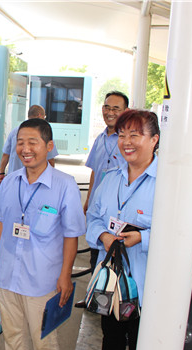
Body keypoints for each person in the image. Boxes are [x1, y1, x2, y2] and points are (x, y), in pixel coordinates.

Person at [0, 118, 85, 350]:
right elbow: (1, 224)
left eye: (32, 143)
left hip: (43, 280)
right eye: (20, 143)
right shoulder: (10, 182)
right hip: (9, 276)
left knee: (44, 343)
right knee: (13, 337)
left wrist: (65, 276)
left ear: (49, 147)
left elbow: (71, 235)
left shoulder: (65, 185)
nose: (25, 149)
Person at [83, 110, 160, 350]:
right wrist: (103, 236)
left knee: (141, 339)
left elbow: (181, 232)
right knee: (111, 332)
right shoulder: (111, 178)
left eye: (135, 135)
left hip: (147, 281)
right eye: (122, 135)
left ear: (153, 140)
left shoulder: (166, 183)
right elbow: (93, 218)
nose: (126, 142)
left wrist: (143, 237)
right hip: (111, 279)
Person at [83, 91, 129, 271]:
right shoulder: (100, 139)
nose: (110, 112)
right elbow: (95, 171)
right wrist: (89, 199)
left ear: (125, 111)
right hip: (97, 208)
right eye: (107, 107)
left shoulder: (127, 142)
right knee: (95, 257)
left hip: (117, 211)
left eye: (116, 109)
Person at [0, 105, 58, 182]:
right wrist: (51, 177)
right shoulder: (44, 133)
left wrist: (1, 172)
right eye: (44, 116)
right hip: (35, 179)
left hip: (14, 178)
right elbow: (50, 159)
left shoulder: (15, 131)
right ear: (40, 115)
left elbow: (6, 155)